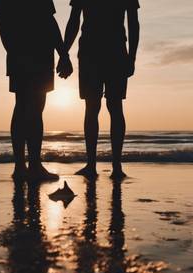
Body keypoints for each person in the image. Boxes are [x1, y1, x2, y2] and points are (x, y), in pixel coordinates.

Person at [0, 0, 73, 182]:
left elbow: (3, 23)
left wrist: (12, 50)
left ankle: (22, 166)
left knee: (22, 106)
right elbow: (49, 20)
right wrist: (63, 54)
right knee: (33, 108)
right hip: (36, 52)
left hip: (22, 52)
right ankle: (33, 166)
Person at [63, 0, 140, 180]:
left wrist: (132, 57)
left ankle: (105, 166)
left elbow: (133, 21)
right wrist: (64, 52)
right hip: (105, 52)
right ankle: (104, 166)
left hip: (103, 52)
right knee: (107, 107)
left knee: (102, 108)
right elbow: (74, 19)